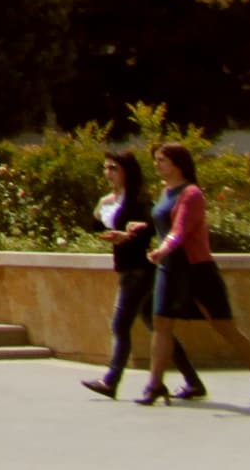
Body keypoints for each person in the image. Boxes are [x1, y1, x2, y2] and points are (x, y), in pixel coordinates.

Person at [138, 141, 250, 410]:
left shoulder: (192, 194)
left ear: (177, 164)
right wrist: (133, 232)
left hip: (197, 269)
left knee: (225, 328)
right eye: (156, 160)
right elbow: (159, 224)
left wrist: (163, 249)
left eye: (162, 160)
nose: (157, 164)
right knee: (161, 324)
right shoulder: (165, 191)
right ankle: (155, 384)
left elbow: (179, 229)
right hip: (170, 269)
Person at [88, 149, 175, 401]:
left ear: (127, 171)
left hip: (139, 269)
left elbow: (150, 227)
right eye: (106, 168)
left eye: (114, 168)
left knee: (120, 324)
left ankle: (111, 381)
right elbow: (95, 226)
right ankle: (192, 380)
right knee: (155, 325)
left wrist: (130, 234)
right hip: (125, 267)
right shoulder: (109, 201)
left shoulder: (138, 199)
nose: (108, 173)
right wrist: (102, 208)